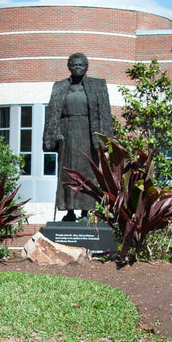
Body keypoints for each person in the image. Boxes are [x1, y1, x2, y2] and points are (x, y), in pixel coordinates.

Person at [42, 53, 113, 221]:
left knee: (88, 173)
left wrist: (105, 140)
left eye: (81, 65)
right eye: (74, 65)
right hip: (66, 136)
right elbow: (53, 113)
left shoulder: (97, 86)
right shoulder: (59, 87)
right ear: (69, 67)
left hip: (88, 136)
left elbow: (105, 113)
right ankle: (69, 211)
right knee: (67, 174)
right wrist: (55, 131)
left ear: (87, 66)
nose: (77, 67)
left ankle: (86, 211)